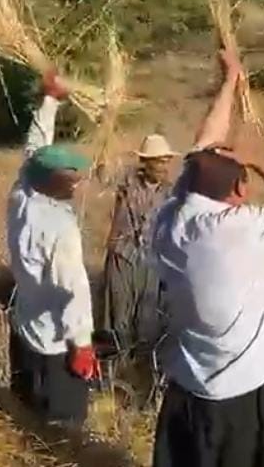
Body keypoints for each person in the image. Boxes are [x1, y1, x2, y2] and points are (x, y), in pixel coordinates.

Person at [150, 48, 264, 467]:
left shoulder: (170, 217)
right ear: (241, 190)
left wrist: (230, 80)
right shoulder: (243, 229)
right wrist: (257, 160)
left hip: (190, 386)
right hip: (246, 390)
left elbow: (202, 148)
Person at [6, 70, 98, 427]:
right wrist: (82, 344)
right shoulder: (60, 229)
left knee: (23, 417)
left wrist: (50, 101)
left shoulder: (22, 194)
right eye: (70, 178)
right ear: (53, 181)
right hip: (54, 344)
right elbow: (73, 289)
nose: (76, 183)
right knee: (60, 431)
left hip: (24, 329)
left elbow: (35, 149)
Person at [103, 133, 179, 366]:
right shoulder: (126, 183)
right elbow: (102, 174)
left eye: (166, 161)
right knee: (119, 320)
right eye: (158, 161)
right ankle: (118, 369)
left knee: (148, 322)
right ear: (146, 162)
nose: (164, 167)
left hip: (153, 261)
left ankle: (141, 372)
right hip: (123, 258)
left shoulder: (171, 193)